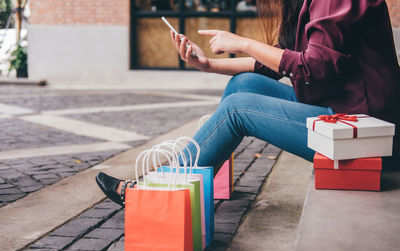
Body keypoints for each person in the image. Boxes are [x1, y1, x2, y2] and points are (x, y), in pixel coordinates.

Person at [96, 0, 400, 206]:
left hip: (366, 132)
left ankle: (155, 193)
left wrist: (242, 42)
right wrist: (208, 65)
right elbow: (275, 63)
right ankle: (198, 177)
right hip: (339, 111)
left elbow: (313, 67)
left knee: (238, 108)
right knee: (244, 84)